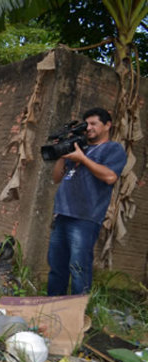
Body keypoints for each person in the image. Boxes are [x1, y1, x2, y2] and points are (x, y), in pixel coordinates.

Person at [46, 107, 127, 296]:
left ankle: (78, 314)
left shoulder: (113, 148)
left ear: (107, 125)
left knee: (78, 268)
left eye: (93, 124)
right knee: (56, 268)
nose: (88, 128)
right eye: (86, 124)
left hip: (85, 218)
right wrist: (62, 153)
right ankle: (51, 310)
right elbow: (57, 177)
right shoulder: (79, 148)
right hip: (62, 215)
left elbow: (110, 177)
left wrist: (82, 159)